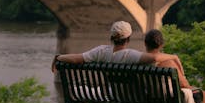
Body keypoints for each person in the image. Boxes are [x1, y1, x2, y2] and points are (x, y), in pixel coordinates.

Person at [139, 29, 205, 103]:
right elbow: (185, 85)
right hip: (168, 100)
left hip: (149, 98)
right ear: (161, 45)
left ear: (145, 43)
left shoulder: (140, 61)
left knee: (171, 93)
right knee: (198, 94)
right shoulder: (168, 63)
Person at [51, 21, 185, 73]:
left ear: (112, 37)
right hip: (130, 97)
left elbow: (76, 59)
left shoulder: (100, 51)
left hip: (109, 94)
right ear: (128, 38)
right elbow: (155, 56)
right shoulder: (131, 55)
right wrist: (174, 56)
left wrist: (59, 57)